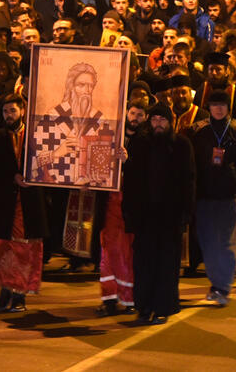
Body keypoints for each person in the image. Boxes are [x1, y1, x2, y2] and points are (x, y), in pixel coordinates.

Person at [121, 103, 195, 324]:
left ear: (169, 122)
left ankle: (162, 307)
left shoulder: (182, 145)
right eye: (154, 120)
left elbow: (189, 181)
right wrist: (126, 162)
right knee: (143, 264)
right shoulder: (141, 144)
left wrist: (186, 214)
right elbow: (132, 182)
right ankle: (143, 306)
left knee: (166, 264)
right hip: (145, 216)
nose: (158, 124)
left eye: (162, 120)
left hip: (170, 216)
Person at [0, 95, 48, 314]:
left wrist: (33, 177)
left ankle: (19, 296)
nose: (9, 115)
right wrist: (13, 177)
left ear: (22, 111)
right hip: (5, 202)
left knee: (25, 249)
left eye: (13, 110)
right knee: (4, 249)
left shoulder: (37, 135)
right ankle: (4, 292)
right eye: (5, 112)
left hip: (29, 202)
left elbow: (49, 164)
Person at [192, 89, 236, 305]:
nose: (218, 109)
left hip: (230, 194)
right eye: (214, 105)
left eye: (222, 105)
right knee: (208, 242)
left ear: (228, 107)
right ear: (208, 107)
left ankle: (223, 286)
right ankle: (216, 282)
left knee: (226, 242)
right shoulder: (199, 132)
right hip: (204, 194)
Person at [94, 99, 144, 317]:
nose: (135, 118)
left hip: (133, 204)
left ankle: (129, 297)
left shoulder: (148, 140)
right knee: (108, 250)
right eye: (133, 113)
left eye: (140, 115)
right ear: (126, 113)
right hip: (110, 203)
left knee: (129, 253)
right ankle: (109, 297)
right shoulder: (112, 134)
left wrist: (129, 161)